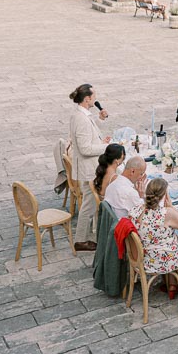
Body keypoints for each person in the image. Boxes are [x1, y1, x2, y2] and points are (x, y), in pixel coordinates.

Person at [131, 179, 178, 294]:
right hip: (160, 261)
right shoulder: (166, 213)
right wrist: (172, 207)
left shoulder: (137, 209)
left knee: (170, 242)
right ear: (164, 195)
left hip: (143, 257)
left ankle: (171, 285)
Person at [68, 84, 110, 250]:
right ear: (87, 99)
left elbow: (89, 133)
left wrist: (99, 120)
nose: (95, 98)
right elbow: (85, 148)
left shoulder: (81, 114)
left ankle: (81, 238)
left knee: (88, 203)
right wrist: (106, 147)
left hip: (87, 166)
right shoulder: (81, 118)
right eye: (94, 96)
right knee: (89, 205)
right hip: (89, 168)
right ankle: (80, 241)